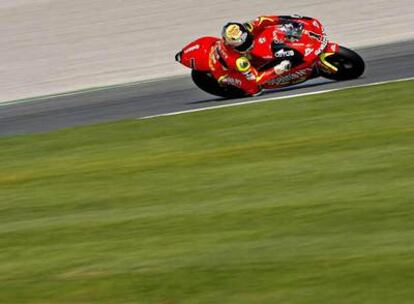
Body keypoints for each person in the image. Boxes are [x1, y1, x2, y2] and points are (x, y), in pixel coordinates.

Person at [209, 15, 316, 96]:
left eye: (246, 37)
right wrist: (277, 69)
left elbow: (264, 20)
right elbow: (256, 79)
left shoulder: (247, 27)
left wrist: (289, 19)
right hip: (223, 72)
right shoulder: (239, 61)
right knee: (254, 89)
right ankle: (232, 83)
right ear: (231, 45)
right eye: (241, 43)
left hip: (227, 53)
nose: (246, 42)